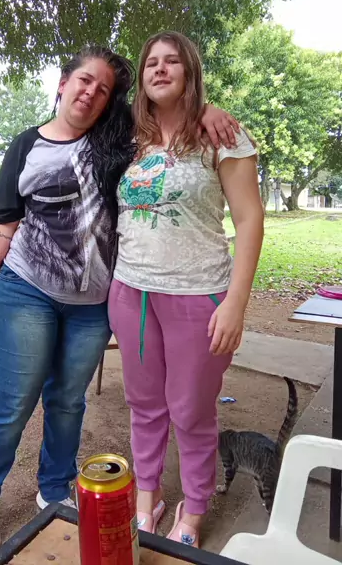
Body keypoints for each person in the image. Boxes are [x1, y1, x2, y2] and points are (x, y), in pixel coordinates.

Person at [0, 43, 238, 558]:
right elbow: (2, 222)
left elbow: (169, 110)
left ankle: (53, 489)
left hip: (91, 302)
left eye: (104, 88)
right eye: (84, 80)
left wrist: (207, 109)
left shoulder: (116, 140)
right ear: (62, 83)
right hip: (26, 289)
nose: (91, 92)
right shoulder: (27, 145)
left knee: (69, 400)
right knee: (12, 401)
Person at [108, 31, 264, 548]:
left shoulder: (221, 135)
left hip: (200, 295)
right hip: (131, 291)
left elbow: (250, 219)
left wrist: (236, 304)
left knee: (192, 410)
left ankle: (193, 510)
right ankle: (147, 499)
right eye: (151, 62)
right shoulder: (130, 138)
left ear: (189, 71)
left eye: (172, 61)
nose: (159, 69)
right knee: (144, 404)